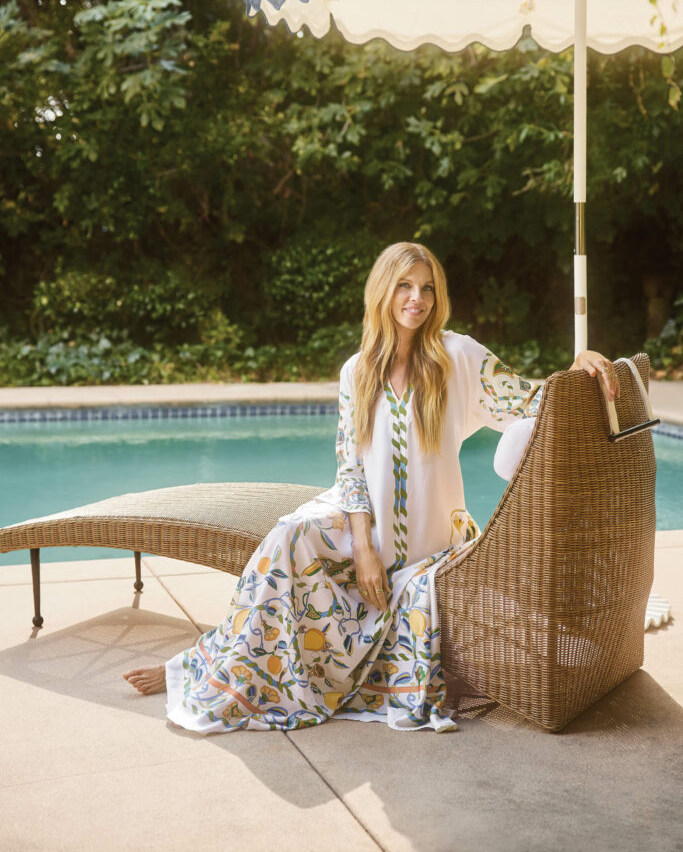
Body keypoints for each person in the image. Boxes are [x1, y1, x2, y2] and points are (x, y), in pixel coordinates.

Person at [124, 242, 619, 733]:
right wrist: (362, 549)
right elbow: (351, 470)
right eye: (404, 285)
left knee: (312, 566)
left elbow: (534, 402)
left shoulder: (459, 356)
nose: (416, 299)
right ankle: (206, 670)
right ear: (383, 290)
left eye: (427, 288)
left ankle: (213, 666)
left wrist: (579, 365)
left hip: (432, 544)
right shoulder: (356, 372)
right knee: (283, 542)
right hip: (361, 525)